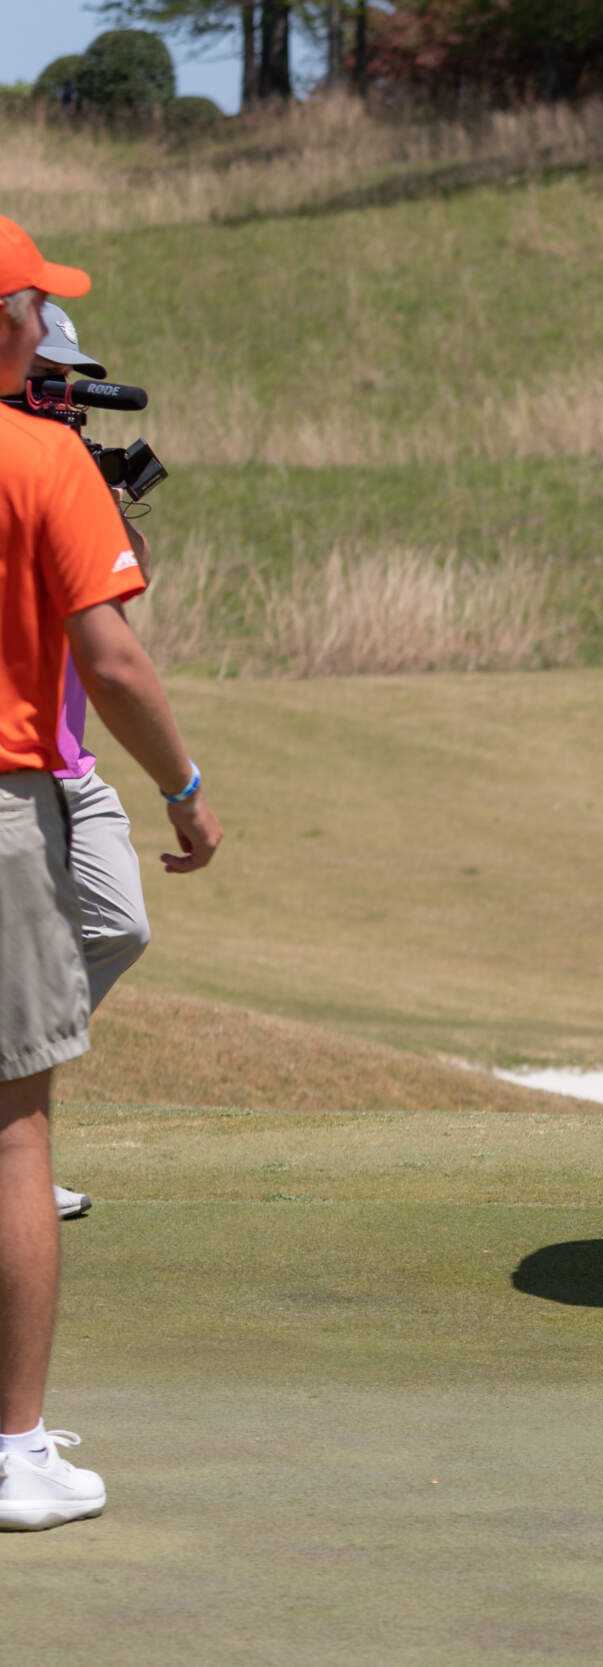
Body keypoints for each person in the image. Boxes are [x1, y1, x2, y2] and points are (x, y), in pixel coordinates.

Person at [1, 219, 223, 1532]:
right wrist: (186, 790)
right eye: (35, 311)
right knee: (14, 1127)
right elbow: (118, 660)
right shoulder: (42, 461)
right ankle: (14, 1448)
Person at [26, 303, 154, 1228]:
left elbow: (116, 612)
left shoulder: (59, 471)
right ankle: (16, 1158)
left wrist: (103, 512)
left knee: (118, 923)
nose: (65, 399)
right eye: (51, 379)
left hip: (69, 760)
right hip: (14, 765)